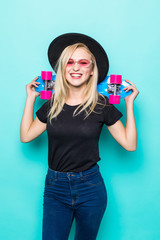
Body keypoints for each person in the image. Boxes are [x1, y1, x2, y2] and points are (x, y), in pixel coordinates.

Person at [20, 33, 139, 240]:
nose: (76, 68)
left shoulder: (103, 106)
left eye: (83, 62)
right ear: (62, 69)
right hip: (55, 188)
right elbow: (26, 136)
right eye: (70, 62)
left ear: (92, 70)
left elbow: (129, 145)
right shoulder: (52, 105)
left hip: (90, 188)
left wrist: (129, 105)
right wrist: (30, 98)